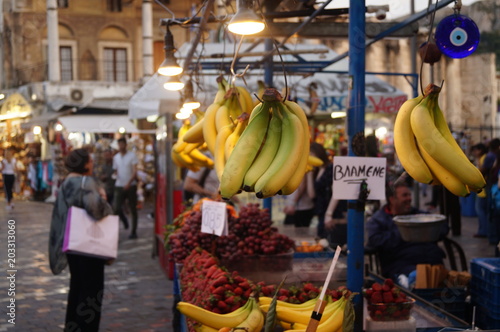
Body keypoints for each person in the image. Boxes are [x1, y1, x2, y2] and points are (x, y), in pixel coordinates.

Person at [48, 148, 113, 332]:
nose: (92, 164)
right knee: (91, 293)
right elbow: (97, 210)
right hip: (89, 246)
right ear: (85, 164)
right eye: (91, 161)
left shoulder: (66, 182)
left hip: (72, 244)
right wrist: (103, 197)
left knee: (76, 289)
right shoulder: (86, 182)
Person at [366, 179, 448, 282]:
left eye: (409, 195)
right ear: (392, 199)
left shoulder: (417, 214)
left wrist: (426, 230)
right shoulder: (379, 219)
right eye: (405, 195)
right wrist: (405, 233)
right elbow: (375, 241)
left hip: (432, 262)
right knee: (418, 281)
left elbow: (442, 226)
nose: (409, 198)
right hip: (402, 266)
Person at [112, 137, 139, 239]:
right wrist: (114, 176)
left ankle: (133, 231)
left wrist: (129, 182)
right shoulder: (116, 157)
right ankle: (118, 227)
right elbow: (115, 170)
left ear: (125, 145)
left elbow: (134, 171)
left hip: (131, 185)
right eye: (119, 145)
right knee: (116, 208)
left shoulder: (132, 156)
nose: (121, 146)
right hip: (119, 185)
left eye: (122, 144)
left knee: (133, 209)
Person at [471, 143, 488, 238]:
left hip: (483, 191)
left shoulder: (483, 158)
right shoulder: (481, 158)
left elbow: (481, 172)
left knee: (480, 211)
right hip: (481, 190)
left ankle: (483, 231)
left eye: (475, 150)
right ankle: (483, 230)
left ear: (480, 150)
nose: (474, 152)